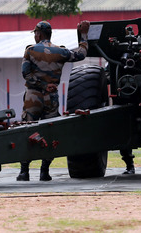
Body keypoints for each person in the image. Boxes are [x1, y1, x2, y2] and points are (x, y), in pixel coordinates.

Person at [16, 20, 90, 181]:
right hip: (52, 98)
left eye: (35, 33)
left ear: (39, 34)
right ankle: (44, 171)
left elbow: (26, 74)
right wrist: (83, 35)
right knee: (50, 132)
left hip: (33, 96)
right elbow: (81, 54)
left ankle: (24, 171)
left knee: (27, 131)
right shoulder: (60, 52)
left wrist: (41, 84)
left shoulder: (31, 50)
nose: (35, 36)